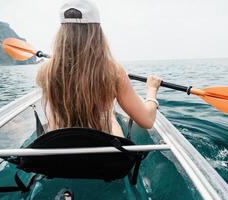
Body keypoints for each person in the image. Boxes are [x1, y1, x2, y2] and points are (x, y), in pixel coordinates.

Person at [36, 0, 161, 137]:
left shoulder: (45, 71)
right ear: (97, 30)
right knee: (110, 119)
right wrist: (152, 89)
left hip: (59, 148)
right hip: (102, 149)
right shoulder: (113, 72)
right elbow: (147, 121)